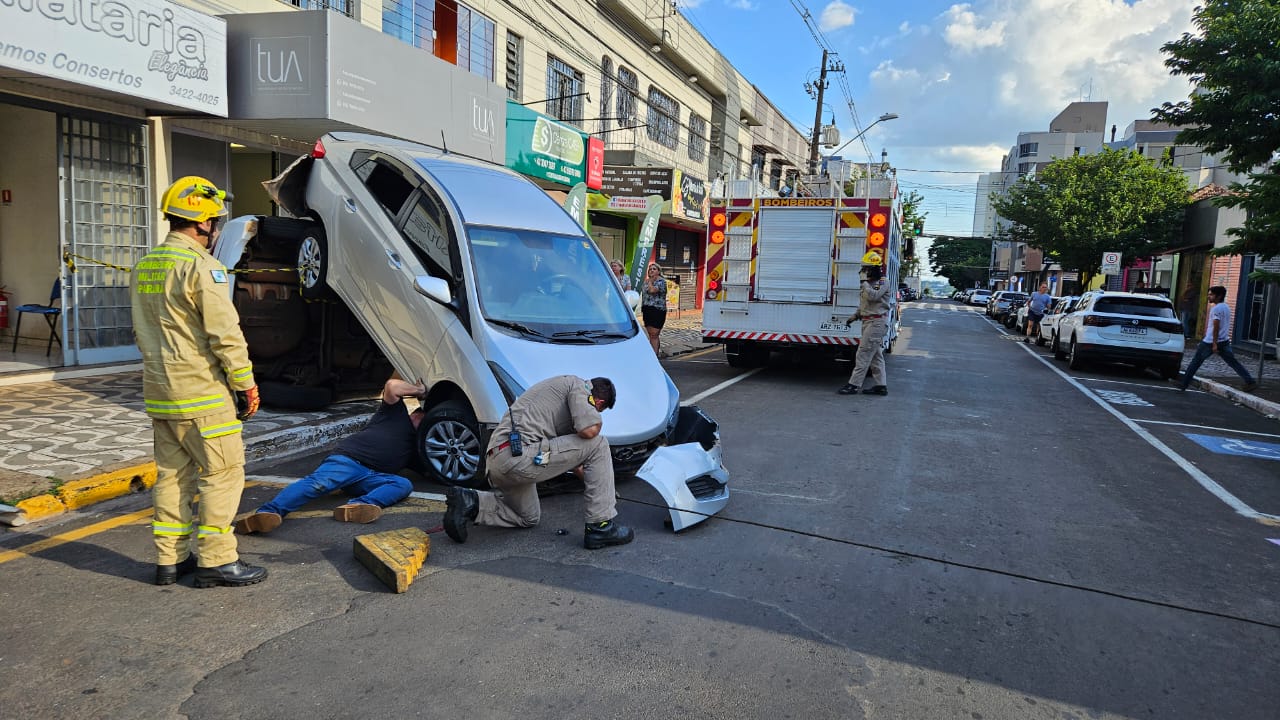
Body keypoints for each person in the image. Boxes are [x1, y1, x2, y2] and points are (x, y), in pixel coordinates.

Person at [131, 176, 265, 589]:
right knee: (222, 474)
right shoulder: (203, 268)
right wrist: (246, 385)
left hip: (160, 392)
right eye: (215, 221)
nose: (217, 229)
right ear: (202, 223)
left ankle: (170, 562)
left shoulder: (147, 264)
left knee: (173, 477)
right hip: (203, 393)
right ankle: (217, 561)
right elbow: (225, 335)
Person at [442, 375, 634, 550]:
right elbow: (589, 431)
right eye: (599, 409)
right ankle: (600, 527)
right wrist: (596, 419)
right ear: (598, 402)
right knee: (599, 443)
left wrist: (606, 490)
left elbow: (574, 461)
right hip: (520, 455)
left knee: (527, 517)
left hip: (498, 461)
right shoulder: (579, 386)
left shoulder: (555, 398)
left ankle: (471, 502)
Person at [234, 379, 426, 534]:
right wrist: (419, 390)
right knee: (318, 484)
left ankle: (358, 506)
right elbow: (392, 386)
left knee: (403, 484)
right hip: (349, 461)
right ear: (415, 414)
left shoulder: (419, 445)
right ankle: (268, 512)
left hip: (369, 477)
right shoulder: (394, 414)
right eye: (423, 416)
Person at [1179, 285, 1258, 392]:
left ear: (1219, 296)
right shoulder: (1226, 307)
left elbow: (1216, 326)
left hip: (1210, 341)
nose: (1208, 297)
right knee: (1233, 362)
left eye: (1211, 295)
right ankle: (1250, 381)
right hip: (1224, 341)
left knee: (1196, 362)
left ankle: (1183, 384)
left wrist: (1214, 344)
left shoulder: (1216, 309)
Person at [838, 265, 891, 396]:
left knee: (863, 353)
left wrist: (865, 283)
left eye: (865, 271)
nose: (863, 274)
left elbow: (874, 296)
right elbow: (865, 304)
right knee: (876, 356)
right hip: (869, 321)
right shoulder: (869, 284)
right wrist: (854, 316)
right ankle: (881, 386)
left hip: (876, 323)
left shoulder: (882, 282)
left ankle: (854, 385)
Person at [641, 262, 667, 355]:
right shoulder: (646, 282)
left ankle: (654, 356)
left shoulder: (661, 282)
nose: (651, 270)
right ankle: (654, 353)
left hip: (657, 310)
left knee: (654, 334)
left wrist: (651, 282)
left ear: (658, 271)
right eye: (650, 269)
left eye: (654, 269)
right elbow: (644, 295)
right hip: (647, 310)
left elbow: (652, 290)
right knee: (651, 335)